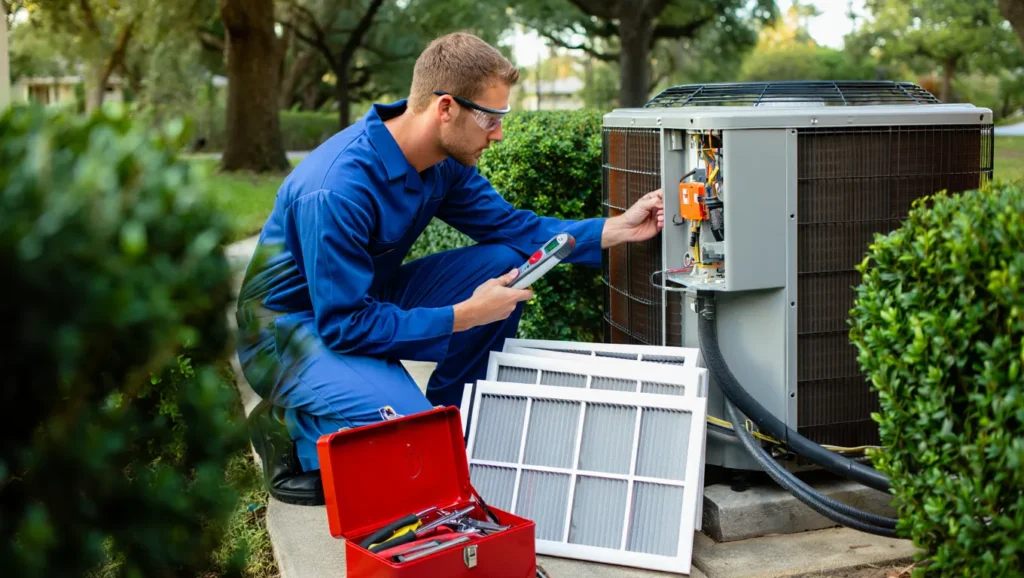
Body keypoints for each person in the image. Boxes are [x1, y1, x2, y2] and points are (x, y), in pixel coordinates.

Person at [235, 31, 664, 504]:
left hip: (362, 301)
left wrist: (617, 230)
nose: (498, 134)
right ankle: (291, 424)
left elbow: (513, 229)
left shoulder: (442, 162)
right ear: (445, 108)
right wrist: (466, 315)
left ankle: (451, 424)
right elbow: (343, 325)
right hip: (290, 332)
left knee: (503, 261)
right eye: (491, 118)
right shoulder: (336, 188)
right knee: (403, 445)